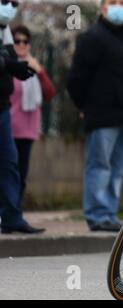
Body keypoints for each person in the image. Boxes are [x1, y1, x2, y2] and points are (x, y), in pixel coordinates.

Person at [67, 0, 123, 232]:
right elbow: (76, 79)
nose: (118, 7)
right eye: (113, 2)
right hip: (104, 116)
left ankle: (109, 214)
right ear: (103, 7)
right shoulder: (93, 38)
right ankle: (97, 215)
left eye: (122, 2)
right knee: (100, 165)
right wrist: (83, 106)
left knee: (118, 167)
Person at [0, 0, 45, 234]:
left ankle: (11, 218)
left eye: (13, 3)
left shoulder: (4, 30)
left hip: (2, 108)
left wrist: (14, 67)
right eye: (5, 2)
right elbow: (7, 63)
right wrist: (10, 65)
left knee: (10, 165)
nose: (9, 7)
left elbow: (48, 92)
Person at [10, 25, 56, 201]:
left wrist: (40, 71)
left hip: (28, 131)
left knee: (21, 175)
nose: (21, 45)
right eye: (17, 41)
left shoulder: (34, 65)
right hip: (9, 129)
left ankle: (15, 213)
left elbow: (49, 93)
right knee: (8, 174)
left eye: (25, 41)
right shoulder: (8, 66)